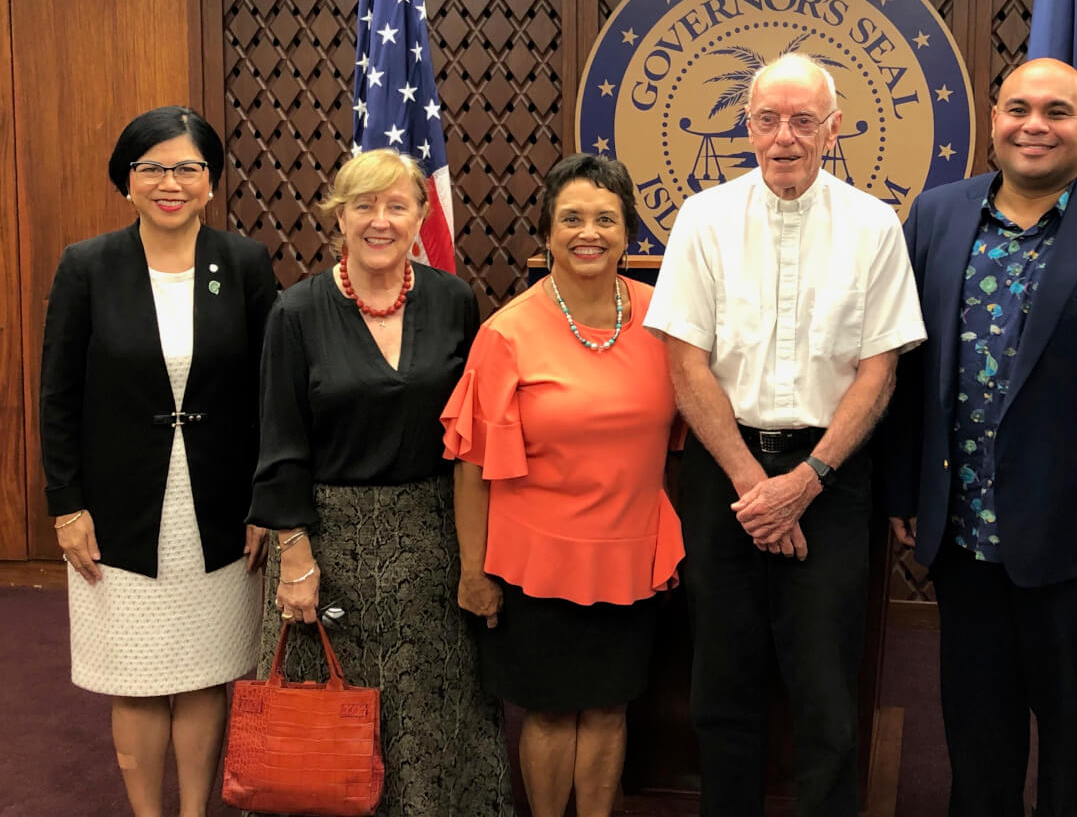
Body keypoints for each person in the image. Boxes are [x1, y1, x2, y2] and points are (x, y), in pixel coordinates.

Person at [877, 58, 1077, 817]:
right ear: (993, 120)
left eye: (1058, 111)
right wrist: (906, 489)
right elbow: (907, 364)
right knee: (975, 735)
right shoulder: (936, 215)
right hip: (963, 537)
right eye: (1019, 108)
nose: (1035, 125)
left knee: (1075, 741)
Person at [644, 52, 926, 817]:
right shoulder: (703, 218)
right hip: (724, 475)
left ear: (833, 130)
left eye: (804, 120)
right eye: (768, 120)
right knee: (722, 683)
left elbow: (879, 373)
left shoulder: (873, 226)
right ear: (747, 127)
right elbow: (686, 364)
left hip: (829, 481)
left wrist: (805, 483)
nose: (785, 137)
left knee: (827, 691)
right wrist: (752, 486)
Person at [246, 149, 514, 816]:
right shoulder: (297, 313)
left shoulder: (454, 301)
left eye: (397, 205)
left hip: (431, 540)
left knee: (430, 709)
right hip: (328, 548)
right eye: (364, 205)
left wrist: (477, 554)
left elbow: (474, 434)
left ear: (422, 215)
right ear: (338, 215)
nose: (380, 220)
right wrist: (295, 558)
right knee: (330, 716)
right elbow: (280, 444)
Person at [40, 106, 277, 817]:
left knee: (205, 673)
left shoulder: (242, 264)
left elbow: (273, 392)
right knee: (137, 675)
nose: (169, 182)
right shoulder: (88, 265)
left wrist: (266, 502)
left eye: (187, 168)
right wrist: (66, 505)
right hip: (118, 506)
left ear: (210, 183)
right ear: (127, 181)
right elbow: (58, 395)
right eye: (152, 168)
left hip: (219, 505)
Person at [440, 153, 683, 817]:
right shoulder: (507, 333)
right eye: (571, 217)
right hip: (534, 562)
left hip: (631, 555)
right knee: (549, 715)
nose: (589, 233)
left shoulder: (665, 320)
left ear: (629, 232)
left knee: (608, 708)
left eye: (606, 218)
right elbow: (472, 463)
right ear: (546, 233)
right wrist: (472, 568)